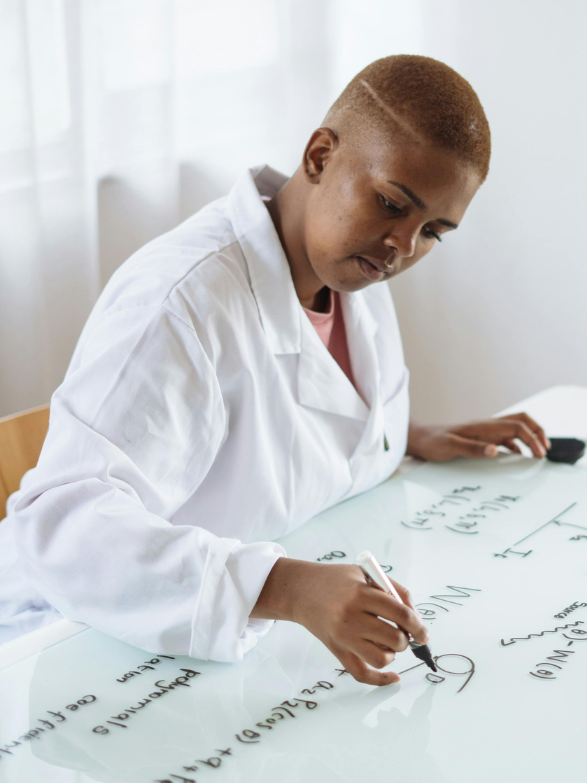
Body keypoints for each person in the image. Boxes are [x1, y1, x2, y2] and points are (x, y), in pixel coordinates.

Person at [0, 55, 550, 684]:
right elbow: (60, 531)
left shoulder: (354, 267)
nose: (404, 247)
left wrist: (399, 436)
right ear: (319, 156)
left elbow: (292, 422)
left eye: (435, 232)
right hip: (67, 646)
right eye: (392, 204)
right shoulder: (179, 303)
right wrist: (286, 588)